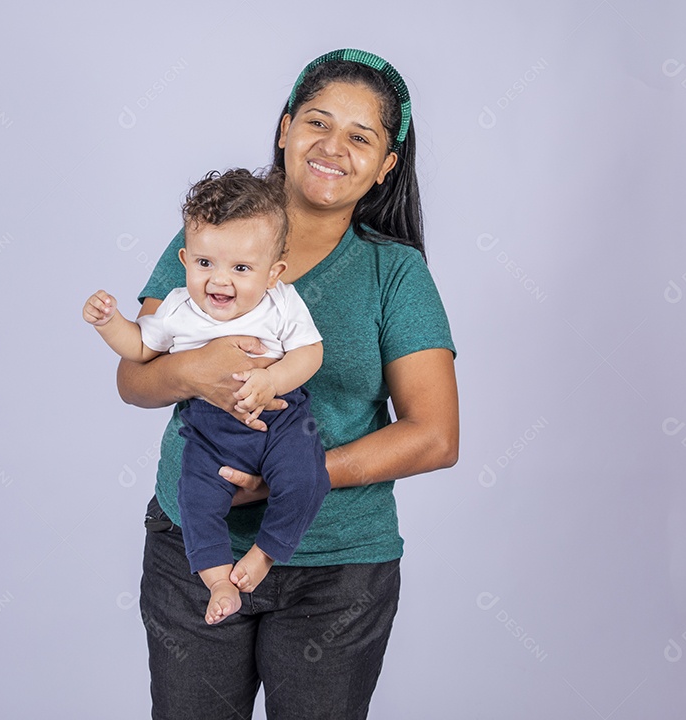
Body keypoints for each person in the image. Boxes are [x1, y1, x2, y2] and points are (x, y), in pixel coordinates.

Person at [119, 48, 460, 720]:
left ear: (387, 165)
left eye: (360, 137)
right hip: (195, 547)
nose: (333, 147)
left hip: (336, 571)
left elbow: (434, 437)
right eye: (317, 123)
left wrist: (290, 477)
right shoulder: (215, 240)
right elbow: (136, 377)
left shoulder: (395, 274)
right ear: (284, 129)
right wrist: (195, 371)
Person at [83, 169, 329, 625]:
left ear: (273, 273)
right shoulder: (178, 306)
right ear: (185, 258)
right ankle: (218, 580)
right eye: (204, 264)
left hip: (281, 419)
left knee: (306, 479)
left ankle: (264, 554)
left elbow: (310, 352)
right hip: (210, 429)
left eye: (240, 268)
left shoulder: (282, 303)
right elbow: (139, 347)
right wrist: (109, 323)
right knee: (194, 499)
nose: (219, 281)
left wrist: (273, 381)